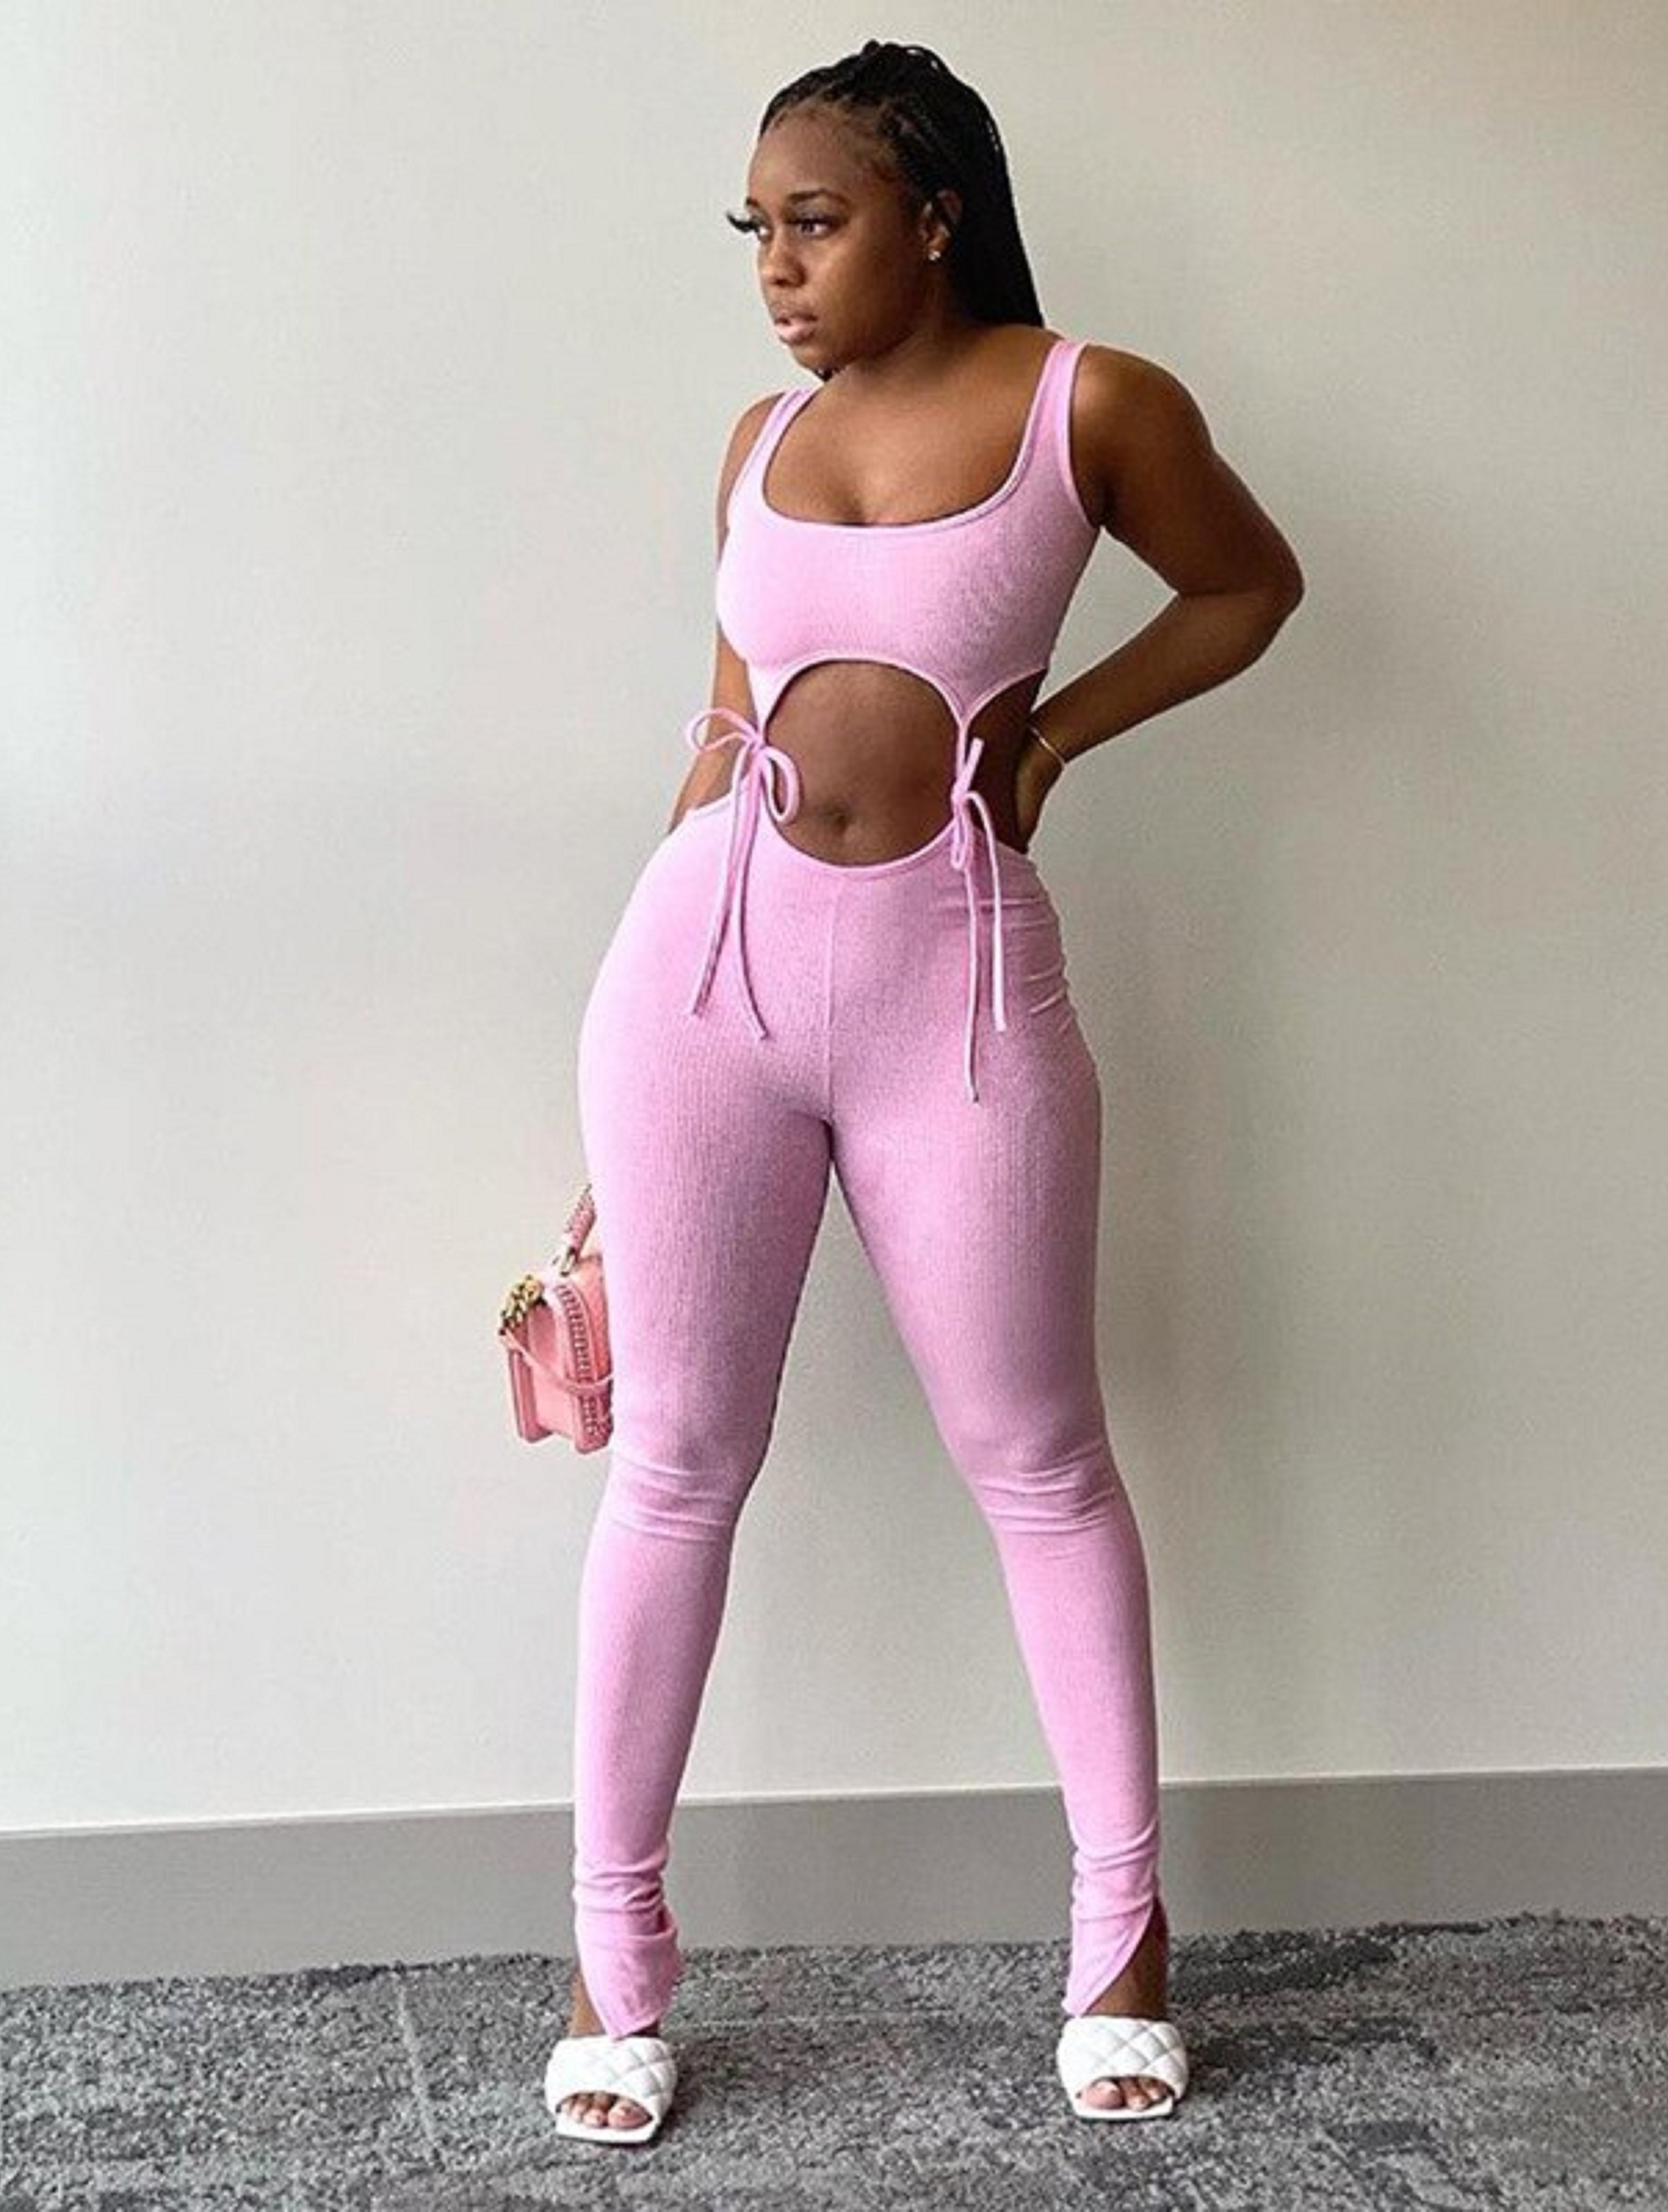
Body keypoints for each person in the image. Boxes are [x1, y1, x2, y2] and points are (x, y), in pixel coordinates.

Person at [545, 39, 1304, 2145]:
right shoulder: (760, 439)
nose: (777, 270)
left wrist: (1049, 740)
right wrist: (608, 1121)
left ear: (937, 216)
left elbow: (1250, 586)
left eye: (818, 221)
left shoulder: (1092, 404)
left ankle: (1123, 1941)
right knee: (674, 1465)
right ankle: (611, 1960)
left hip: (951, 998)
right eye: (757, 230)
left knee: (1042, 1460)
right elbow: (722, 728)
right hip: (700, 981)